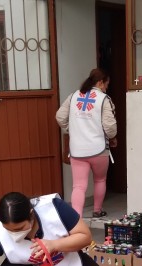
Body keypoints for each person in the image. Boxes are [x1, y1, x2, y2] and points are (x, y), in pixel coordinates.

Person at [55, 68, 117, 218]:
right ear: (101, 82)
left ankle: (77, 219)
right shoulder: (104, 99)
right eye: (107, 84)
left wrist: (73, 129)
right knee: (100, 179)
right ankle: (97, 210)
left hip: (77, 150)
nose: (107, 88)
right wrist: (112, 137)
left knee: (79, 186)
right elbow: (110, 126)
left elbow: (60, 117)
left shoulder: (74, 96)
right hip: (99, 149)